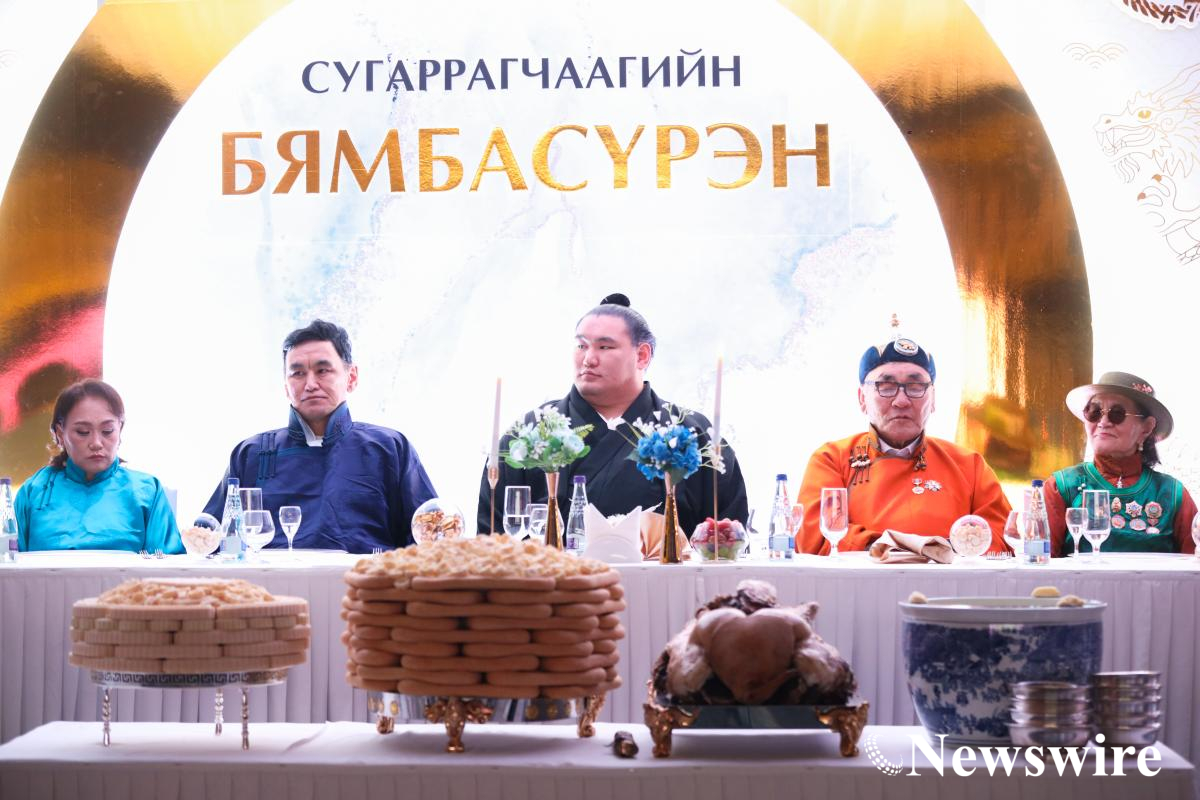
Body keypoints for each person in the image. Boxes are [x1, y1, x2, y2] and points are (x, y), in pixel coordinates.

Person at [477, 294, 748, 537]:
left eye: (604, 347)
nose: (588, 359)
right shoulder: (530, 433)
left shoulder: (690, 432)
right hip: (552, 578)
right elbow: (492, 539)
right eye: (581, 346)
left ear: (642, 355)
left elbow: (727, 539)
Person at [202, 320, 436, 553]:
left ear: (351, 377)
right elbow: (210, 541)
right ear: (286, 387)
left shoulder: (390, 448)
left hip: (364, 577)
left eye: (323, 371)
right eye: (298, 373)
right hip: (269, 578)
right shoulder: (251, 453)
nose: (310, 384)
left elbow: (430, 540)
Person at [796, 334, 1011, 554]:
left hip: (948, 576)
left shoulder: (969, 466)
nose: (901, 401)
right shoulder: (832, 460)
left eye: (916, 386)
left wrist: (927, 554)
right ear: (862, 398)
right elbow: (816, 538)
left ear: (933, 399)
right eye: (886, 386)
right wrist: (917, 551)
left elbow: (1001, 540)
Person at [14, 379, 181, 553]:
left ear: (120, 429)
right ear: (60, 433)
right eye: (83, 432)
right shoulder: (34, 491)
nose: (96, 443)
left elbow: (168, 565)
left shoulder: (147, 491)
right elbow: (10, 562)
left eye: (107, 431)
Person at [1045, 372, 1196, 555]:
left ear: (1146, 428)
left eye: (1117, 414)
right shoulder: (1061, 486)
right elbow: (1040, 564)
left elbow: (1195, 565)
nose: (1103, 422)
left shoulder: (1172, 494)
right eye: (1094, 412)